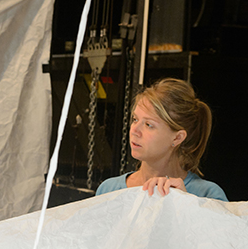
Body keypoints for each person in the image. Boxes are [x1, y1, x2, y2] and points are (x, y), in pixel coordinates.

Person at [96, 78, 227, 201]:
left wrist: (185, 203)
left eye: (149, 125)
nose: (134, 130)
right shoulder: (108, 190)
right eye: (135, 119)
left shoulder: (207, 195)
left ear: (177, 137)